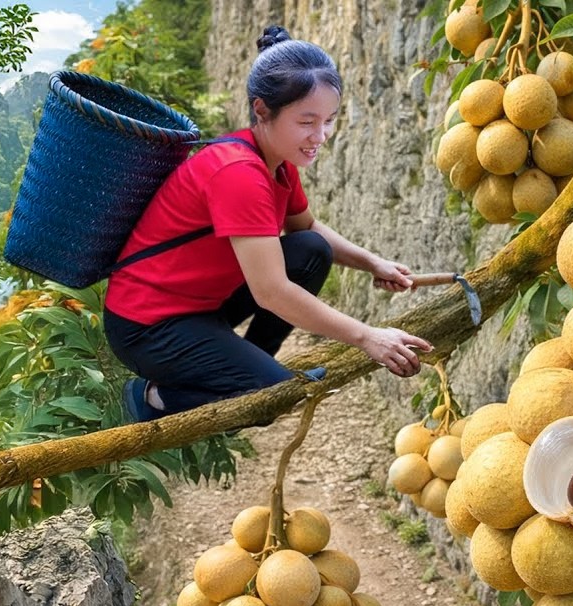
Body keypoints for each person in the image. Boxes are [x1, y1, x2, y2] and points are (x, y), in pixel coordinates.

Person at [104, 25, 433, 422]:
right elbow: (272, 293)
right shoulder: (238, 173)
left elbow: (308, 229)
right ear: (262, 110)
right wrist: (367, 337)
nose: (321, 136)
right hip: (149, 326)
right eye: (307, 121)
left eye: (329, 120)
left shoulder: (277, 161)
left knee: (311, 252)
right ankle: (154, 396)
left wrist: (373, 263)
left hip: (201, 305)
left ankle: (251, 367)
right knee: (272, 399)